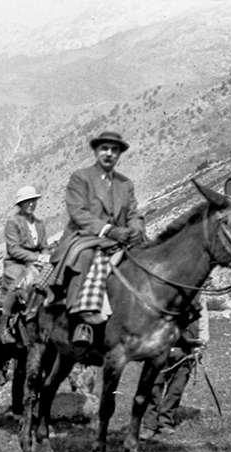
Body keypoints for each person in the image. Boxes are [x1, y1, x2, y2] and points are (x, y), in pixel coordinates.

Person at [50, 131, 145, 346]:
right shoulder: (81, 177)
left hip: (119, 239)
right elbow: (78, 212)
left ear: (119, 154)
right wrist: (109, 230)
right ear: (96, 152)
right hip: (86, 236)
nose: (109, 154)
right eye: (104, 149)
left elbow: (133, 212)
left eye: (114, 150)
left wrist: (136, 230)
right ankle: (80, 321)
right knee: (85, 257)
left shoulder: (125, 183)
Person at [140, 302, 210, 440]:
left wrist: (201, 343)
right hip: (159, 347)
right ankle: (149, 426)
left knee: (176, 389)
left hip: (186, 348)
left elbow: (202, 319)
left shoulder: (198, 296)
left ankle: (165, 422)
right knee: (154, 388)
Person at [0, 186, 50, 344]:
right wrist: (37, 257)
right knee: (19, 284)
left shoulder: (39, 223)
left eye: (33, 200)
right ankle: (4, 327)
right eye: (27, 201)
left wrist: (45, 256)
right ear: (20, 204)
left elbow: (44, 245)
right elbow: (14, 249)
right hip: (16, 264)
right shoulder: (12, 222)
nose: (31, 204)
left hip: (37, 263)